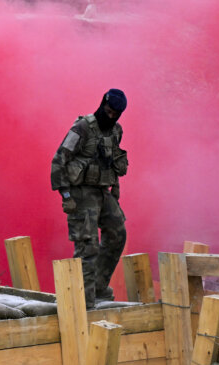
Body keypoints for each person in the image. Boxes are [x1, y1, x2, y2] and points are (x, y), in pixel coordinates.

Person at [51, 89, 128, 309]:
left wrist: (115, 189)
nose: (111, 117)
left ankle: (99, 287)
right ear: (102, 105)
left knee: (117, 234)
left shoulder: (116, 131)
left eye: (116, 114)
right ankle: (84, 304)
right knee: (88, 246)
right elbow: (59, 160)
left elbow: (113, 160)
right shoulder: (82, 127)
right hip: (81, 193)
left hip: (103, 192)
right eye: (109, 111)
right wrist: (66, 195)